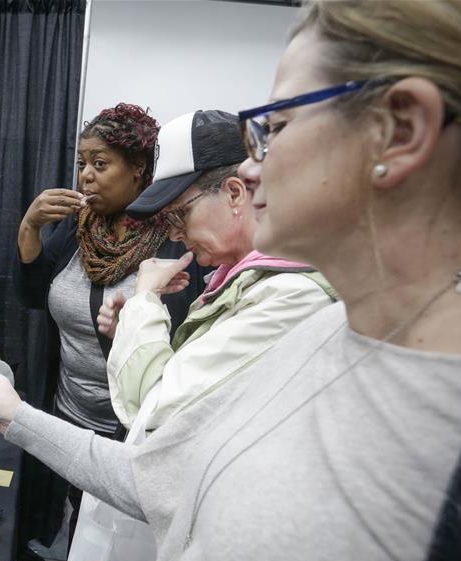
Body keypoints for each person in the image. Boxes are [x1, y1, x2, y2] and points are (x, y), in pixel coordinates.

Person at [0, 0, 461, 561]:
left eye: (276, 127)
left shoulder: (446, 416)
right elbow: (163, 480)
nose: (252, 166)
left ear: (401, 130)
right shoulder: (327, 334)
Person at [16, 103, 208, 550]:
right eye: (82, 163)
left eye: (100, 164)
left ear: (139, 169)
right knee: (65, 521)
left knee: (106, 541)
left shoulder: (174, 243)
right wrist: (29, 227)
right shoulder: (78, 229)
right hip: (65, 410)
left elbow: (182, 346)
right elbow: (31, 298)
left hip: (125, 429)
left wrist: (134, 322)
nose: (85, 175)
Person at [98, 110, 335, 433]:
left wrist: (143, 303)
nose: (174, 234)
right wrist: (130, 329)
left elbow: (155, 413)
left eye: (179, 215)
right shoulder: (237, 281)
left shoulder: (292, 294)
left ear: (235, 193)